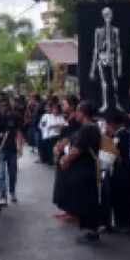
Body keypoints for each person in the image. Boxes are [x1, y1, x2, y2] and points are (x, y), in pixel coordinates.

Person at [61, 102, 104, 242]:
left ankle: (92, 231)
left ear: (84, 113)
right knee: (88, 199)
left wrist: (65, 160)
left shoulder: (88, 129)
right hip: (86, 168)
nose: (76, 114)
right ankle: (90, 230)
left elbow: (77, 150)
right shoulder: (92, 127)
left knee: (87, 200)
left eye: (78, 111)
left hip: (84, 169)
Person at [0, 98, 24, 205]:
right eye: (1, 105)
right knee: (1, 173)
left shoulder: (14, 116)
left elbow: (19, 132)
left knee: (13, 172)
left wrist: (20, 147)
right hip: (0, 149)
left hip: (12, 149)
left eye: (5, 105)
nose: (3, 107)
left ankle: (12, 191)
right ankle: (2, 194)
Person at [38, 100, 65, 165]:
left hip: (58, 135)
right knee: (51, 149)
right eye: (54, 109)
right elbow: (42, 125)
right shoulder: (46, 116)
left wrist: (60, 126)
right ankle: (51, 160)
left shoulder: (61, 117)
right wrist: (52, 126)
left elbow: (65, 124)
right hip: (49, 136)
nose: (55, 110)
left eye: (57, 109)